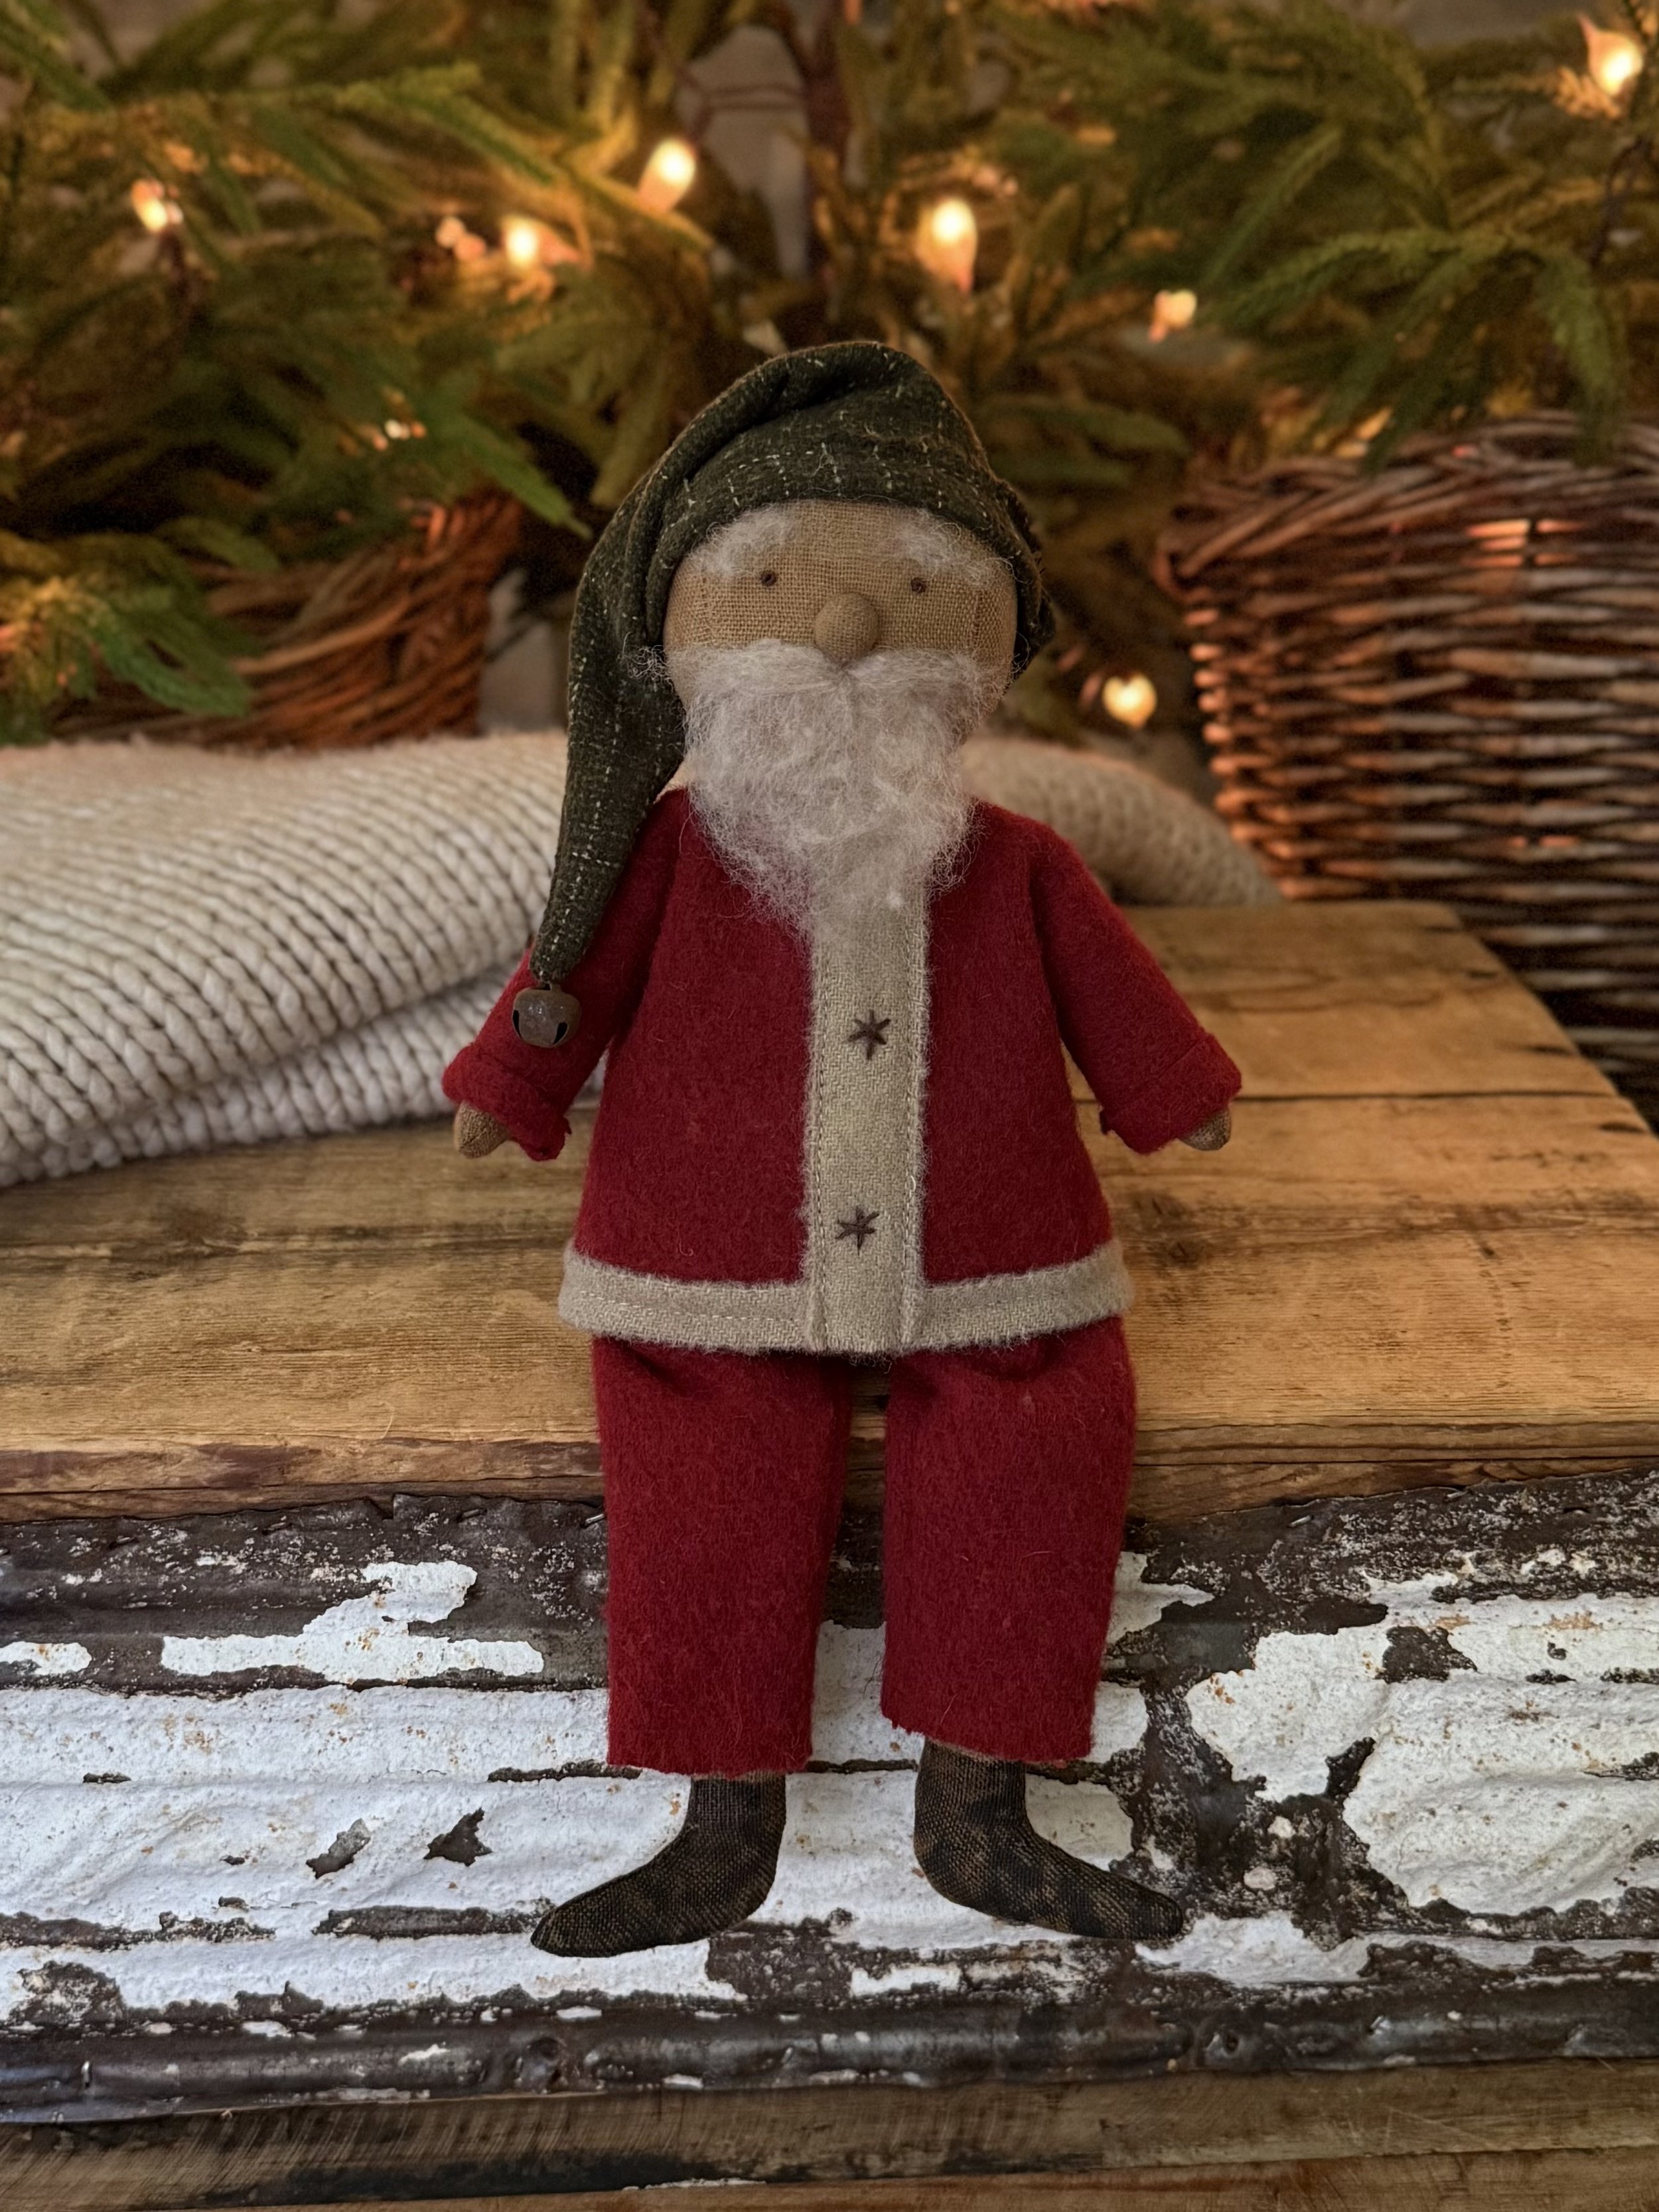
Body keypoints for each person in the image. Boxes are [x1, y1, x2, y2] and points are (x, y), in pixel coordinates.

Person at [443, 342, 1238, 1956]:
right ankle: (720, 1821)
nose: (851, 625)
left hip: (993, 1249)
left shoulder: (1016, 862)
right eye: (781, 580)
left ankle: (977, 1814)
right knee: (696, 1454)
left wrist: (1173, 1089)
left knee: (1045, 1426)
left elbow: (1113, 994)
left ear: (989, 630)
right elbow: (569, 973)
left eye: (915, 588)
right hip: (704, 1252)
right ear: (683, 626)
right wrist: (512, 1085)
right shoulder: (665, 850)